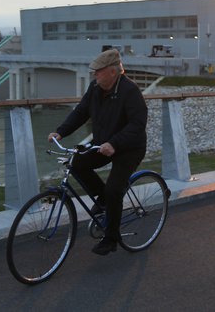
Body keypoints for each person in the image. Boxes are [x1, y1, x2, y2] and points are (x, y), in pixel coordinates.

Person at [48, 49, 148, 255]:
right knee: (77, 164)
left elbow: (138, 124)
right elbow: (81, 112)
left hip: (129, 148)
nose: (94, 74)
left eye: (98, 71)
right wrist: (60, 131)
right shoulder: (95, 88)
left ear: (113, 72)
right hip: (103, 144)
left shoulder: (130, 91)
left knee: (114, 190)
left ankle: (111, 238)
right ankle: (103, 201)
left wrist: (115, 143)